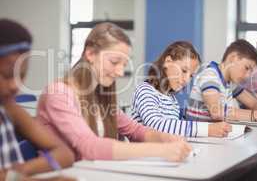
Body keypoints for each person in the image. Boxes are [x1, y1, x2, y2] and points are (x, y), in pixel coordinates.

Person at [37, 22, 192, 162]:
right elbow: (89, 147)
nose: (120, 72)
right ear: (90, 54)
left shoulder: (100, 95)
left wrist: (165, 138)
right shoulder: (58, 94)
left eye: (124, 64)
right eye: (114, 62)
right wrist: (161, 150)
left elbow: (134, 130)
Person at [0, 19, 74, 180]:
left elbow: (64, 153)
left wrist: (19, 172)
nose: (15, 85)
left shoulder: (10, 109)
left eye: (22, 75)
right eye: (7, 75)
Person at [131, 41, 232, 138]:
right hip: (145, 154)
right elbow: (157, 125)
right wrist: (207, 129)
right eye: (184, 70)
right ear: (168, 61)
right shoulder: (145, 90)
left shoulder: (172, 99)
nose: (186, 79)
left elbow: (175, 128)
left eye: (191, 75)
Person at [186, 39, 257, 123]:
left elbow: (254, 103)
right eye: (247, 68)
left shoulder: (230, 82)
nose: (247, 76)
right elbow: (216, 111)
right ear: (233, 58)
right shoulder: (210, 75)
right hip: (200, 140)